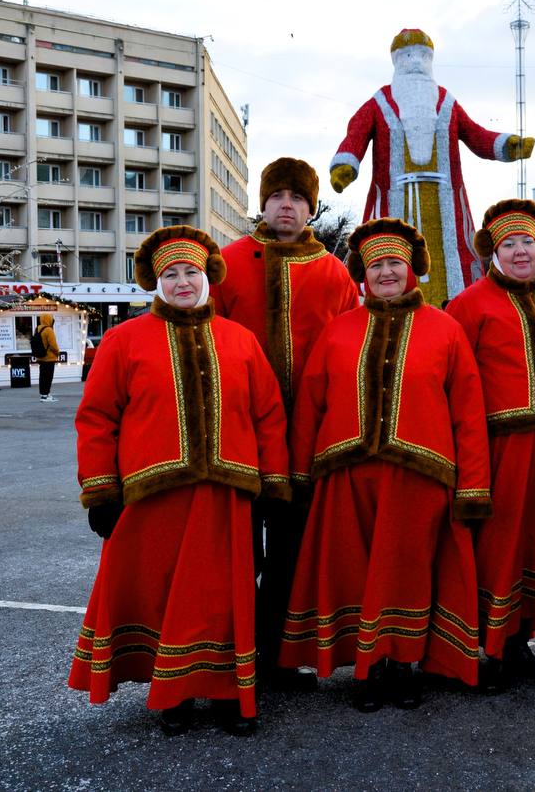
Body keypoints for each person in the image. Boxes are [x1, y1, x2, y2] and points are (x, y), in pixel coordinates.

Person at [69, 225, 290, 737]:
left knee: (225, 599)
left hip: (226, 497)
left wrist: (274, 486)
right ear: (156, 282)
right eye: (171, 274)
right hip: (153, 498)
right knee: (165, 596)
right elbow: (97, 418)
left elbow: (268, 418)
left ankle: (232, 694)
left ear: (208, 277)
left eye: (191, 272)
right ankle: (176, 693)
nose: (182, 282)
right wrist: (101, 490)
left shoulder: (241, 340)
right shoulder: (123, 340)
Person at [279, 218, 491, 711]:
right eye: (377, 265)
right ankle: (369, 666)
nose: (386, 273)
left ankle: (403, 663)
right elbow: (311, 404)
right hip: (347, 478)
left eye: (394, 263)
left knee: (407, 572)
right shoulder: (338, 330)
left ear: (411, 269)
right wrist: (297, 475)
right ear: (364, 274)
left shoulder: (446, 330)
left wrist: (473, 485)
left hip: (420, 479)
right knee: (357, 573)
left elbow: (468, 413)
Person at [213, 156, 359, 691]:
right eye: (278, 196)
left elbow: (348, 351)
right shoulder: (227, 263)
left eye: (298, 198)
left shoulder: (333, 271)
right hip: (240, 437)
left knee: (291, 555)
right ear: (263, 202)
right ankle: (230, 657)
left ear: (311, 207)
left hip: (306, 440)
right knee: (236, 551)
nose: (287, 206)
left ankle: (277, 656)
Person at [444, 198, 535, 691]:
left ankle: (520, 642)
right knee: (500, 549)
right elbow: (454, 385)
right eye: (509, 244)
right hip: (502, 450)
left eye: (527, 241)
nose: (521, 251)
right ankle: (492, 647)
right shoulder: (468, 306)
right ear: (494, 253)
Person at [329, 29, 535, 305]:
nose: (416, 61)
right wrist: (345, 165)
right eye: (409, 55)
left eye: (424, 55)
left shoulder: (447, 102)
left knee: (453, 262)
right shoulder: (379, 102)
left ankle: (455, 310)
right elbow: (356, 134)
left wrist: (507, 145)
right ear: (397, 60)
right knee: (389, 257)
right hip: (395, 203)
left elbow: (476, 135)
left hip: (445, 206)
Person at [34, 314, 59, 401]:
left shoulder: (37, 329)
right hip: (49, 358)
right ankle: (46, 395)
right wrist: (57, 353)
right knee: (48, 377)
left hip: (40, 357)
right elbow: (53, 345)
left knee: (42, 377)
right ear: (49, 320)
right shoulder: (49, 330)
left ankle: (43, 394)